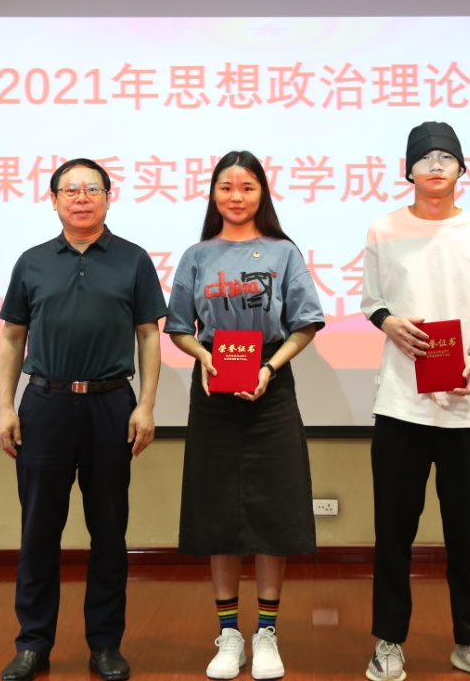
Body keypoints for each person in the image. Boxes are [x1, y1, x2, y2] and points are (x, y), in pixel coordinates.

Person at [0, 157, 167, 681]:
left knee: (109, 531)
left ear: (109, 198)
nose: (81, 197)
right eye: (70, 189)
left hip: (110, 405)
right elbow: (12, 338)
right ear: (53, 201)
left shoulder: (133, 260)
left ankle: (105, 644)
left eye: (92, 188)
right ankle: (33, 644)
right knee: (38, 531)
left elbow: (149, 336)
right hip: (44, 405)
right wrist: (5, 406)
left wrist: (146, 404)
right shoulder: (32, 262)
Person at [360, 122, 470, 681]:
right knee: (393, 532)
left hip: (466, 406)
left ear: (462, 169)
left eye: (447, 157)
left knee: (466, 536)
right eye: (425, 158)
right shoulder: (384, 228)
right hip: (402, 404)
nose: (436, 165)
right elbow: (372, 300)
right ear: (408, 170)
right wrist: (390, 323)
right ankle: (388, 641)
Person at [164, 151, 325, 681]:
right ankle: (230, 632)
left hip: (269, 384)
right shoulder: (197, 255)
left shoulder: (282, 252)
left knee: (273, 510)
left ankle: (267, 633)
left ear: (262, 194)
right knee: (219, 511)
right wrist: (203, 356)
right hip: (214, 383)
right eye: (226, 187)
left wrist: (270, 368)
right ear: (213, 194)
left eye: (247, 187)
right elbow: (179, 326)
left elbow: (305, 322)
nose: (236, 196)